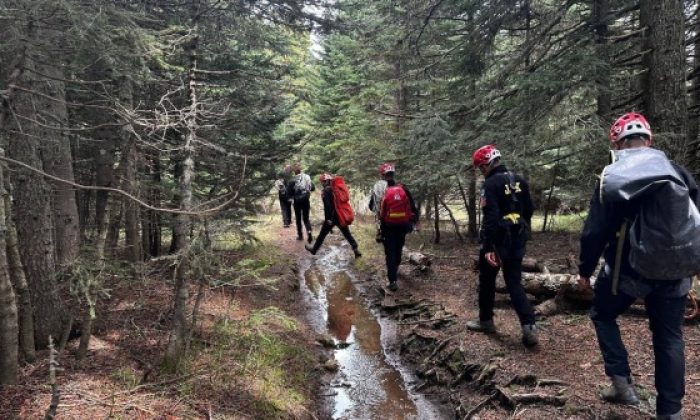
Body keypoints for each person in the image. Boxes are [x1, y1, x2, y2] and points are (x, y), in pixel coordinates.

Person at [578, 113, 697, 420]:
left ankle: (621, 384)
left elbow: (595, 231)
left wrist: (584, 271)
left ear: (616, 143)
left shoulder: (614, 175)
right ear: (649, 140)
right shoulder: (678, 172)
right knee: (669, 336)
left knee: (602, 314)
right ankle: (670, 412)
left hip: (628, 272)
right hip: (676, 273)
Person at [465, 145, 537, 347]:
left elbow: (491, 217)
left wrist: (488, 246)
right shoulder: (520, 180)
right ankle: (529, 326)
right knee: (514, 281)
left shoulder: (490, 184)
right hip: (518, 238)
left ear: (487, 163)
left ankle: (486, 321)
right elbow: (529, 210)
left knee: (487, 280)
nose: (481, 171)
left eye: (481, 167)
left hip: (498, 241)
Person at [369, 163, 418, 291]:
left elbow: (371, 207)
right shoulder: (402, 187)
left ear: (382, 175)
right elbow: (412, 206)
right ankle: (396, 267)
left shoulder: (379, 189)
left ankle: (393, 281)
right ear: (393, 174)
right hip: (402, 224)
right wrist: (413, 221)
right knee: (399, 247)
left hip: (387, 226)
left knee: (389, 252)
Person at [305, 173, 361, 257]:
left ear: (325, 181)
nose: (322, 184)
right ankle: (356, 249)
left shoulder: (326, 191)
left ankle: (314, 249)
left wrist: (328, 219)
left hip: (331, 217)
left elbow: (327, 206)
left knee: (322, 235)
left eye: (322, 182)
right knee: (347, 233)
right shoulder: (335, 189)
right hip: (340, 215)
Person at [287, 163, 315, 243]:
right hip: (306, 200)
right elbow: (312, 188)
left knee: (298, 218)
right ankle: (309, 232)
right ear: (301, 170)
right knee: (306, 218)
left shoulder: (292, 180)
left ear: (294, 171)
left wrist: (291, 198)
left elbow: (289, 193)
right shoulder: (307, 177)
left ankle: (300, 235)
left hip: (297, 201)